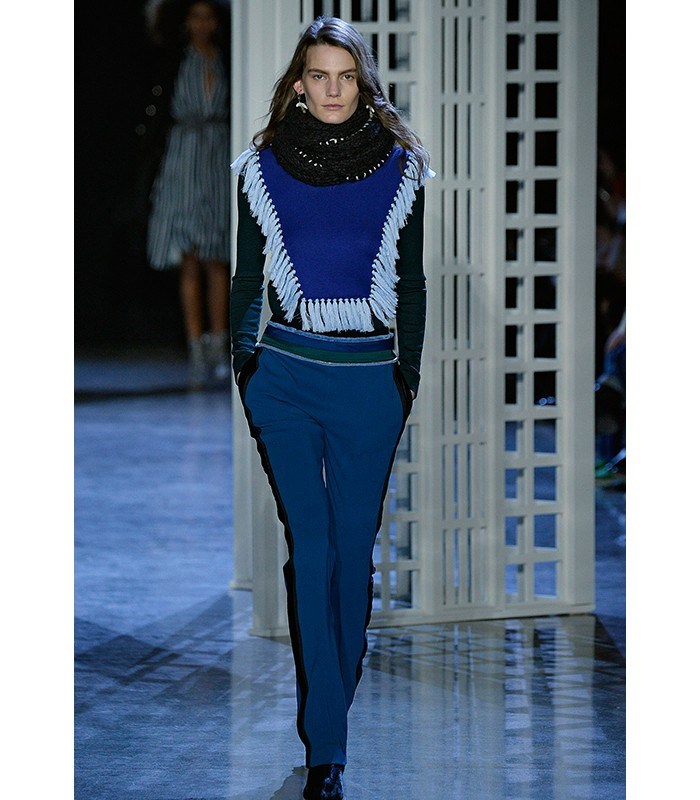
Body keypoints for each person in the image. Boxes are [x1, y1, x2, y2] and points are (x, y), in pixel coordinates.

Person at [229, 16, 431, 800]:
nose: (333, 90)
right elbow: (250, 279)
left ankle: (331, 712)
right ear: (299, 83)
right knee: (311, 549)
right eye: (319, 75)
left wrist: (404, 380)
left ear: (363, 81)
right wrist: (247, 370)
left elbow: (410, 282)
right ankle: (327, 754)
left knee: (352, 551)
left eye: (345, 76)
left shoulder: (401, 168)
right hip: (283, 376)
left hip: (367, 381)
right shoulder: (262, 167)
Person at [142, 0, 232, 389]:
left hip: (216, 154)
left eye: (207, 17)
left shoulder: (227, 60)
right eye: (196, 16)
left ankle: (219, 345)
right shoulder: (174, 59)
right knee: (189, 256)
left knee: (217, 256)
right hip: (183, 156)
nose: (202, 24)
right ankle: (195, 347)